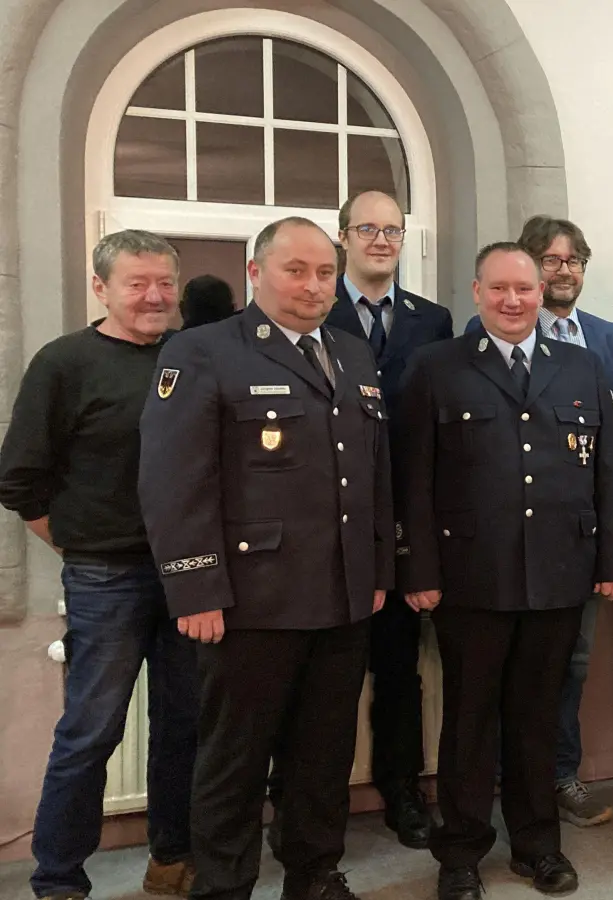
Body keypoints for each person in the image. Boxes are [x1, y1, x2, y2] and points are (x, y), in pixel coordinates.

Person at [139, 217, 393, 900]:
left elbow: (373, 475)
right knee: (234, 762)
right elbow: (174, 480)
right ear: (257, 273)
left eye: (324, 273)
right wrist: (194, 589)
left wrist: (377, 572)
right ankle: (223, 885)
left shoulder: (352, 353)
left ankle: (313, 873)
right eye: (296, 270)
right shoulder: (202, 352)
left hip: (341, 596)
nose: (313, 286)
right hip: (251, 600)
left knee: (322, 755)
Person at [394, 242, 613, 899]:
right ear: (476, 292)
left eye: (524, 289)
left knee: (538, 717)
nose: (513, 300)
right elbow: (412, 478)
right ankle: (462, 854)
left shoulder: (583, 368)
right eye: (498, 289)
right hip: (470, 578)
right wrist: (418, 566)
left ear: (541, 294)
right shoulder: (435, 368)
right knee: (470, 722)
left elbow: (611, 469)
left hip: (559, 574)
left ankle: (538, 847)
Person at [0, 231, 198, 900]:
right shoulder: (65, 363)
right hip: (104, 579)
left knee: (186, 725)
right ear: (101, 288)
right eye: (136, 283)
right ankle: (58, 878)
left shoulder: (192, 356)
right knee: (90, 731)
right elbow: (19, 481)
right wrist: (82, 544)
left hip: (192, 576)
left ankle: (172, 860)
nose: (153, 296)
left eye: (164, 283)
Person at [321, 189, 453, 849]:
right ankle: (313, 805)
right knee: (327, 674)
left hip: (403, 520)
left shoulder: (434, 321)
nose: (380, 239)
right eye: (366, 228)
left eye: (392, 230)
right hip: (331, 521)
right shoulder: (318, 309)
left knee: (400, 670)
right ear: (343, 236)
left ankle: (402, 791)